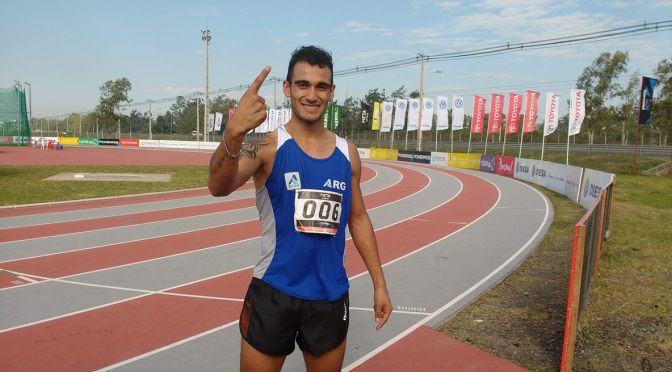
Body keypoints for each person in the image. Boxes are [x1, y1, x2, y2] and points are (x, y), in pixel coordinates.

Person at [208, 45, 392, 372]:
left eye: (321, 86)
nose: (312, 94)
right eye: (303, 84)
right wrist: (233, 134)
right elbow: (218, 187)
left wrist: (379, 283)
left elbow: (358, 218)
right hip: (274, 291)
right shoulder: (263, 145)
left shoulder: (347, 153)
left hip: (329, 297)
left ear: (331, 92)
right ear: (287, 88)